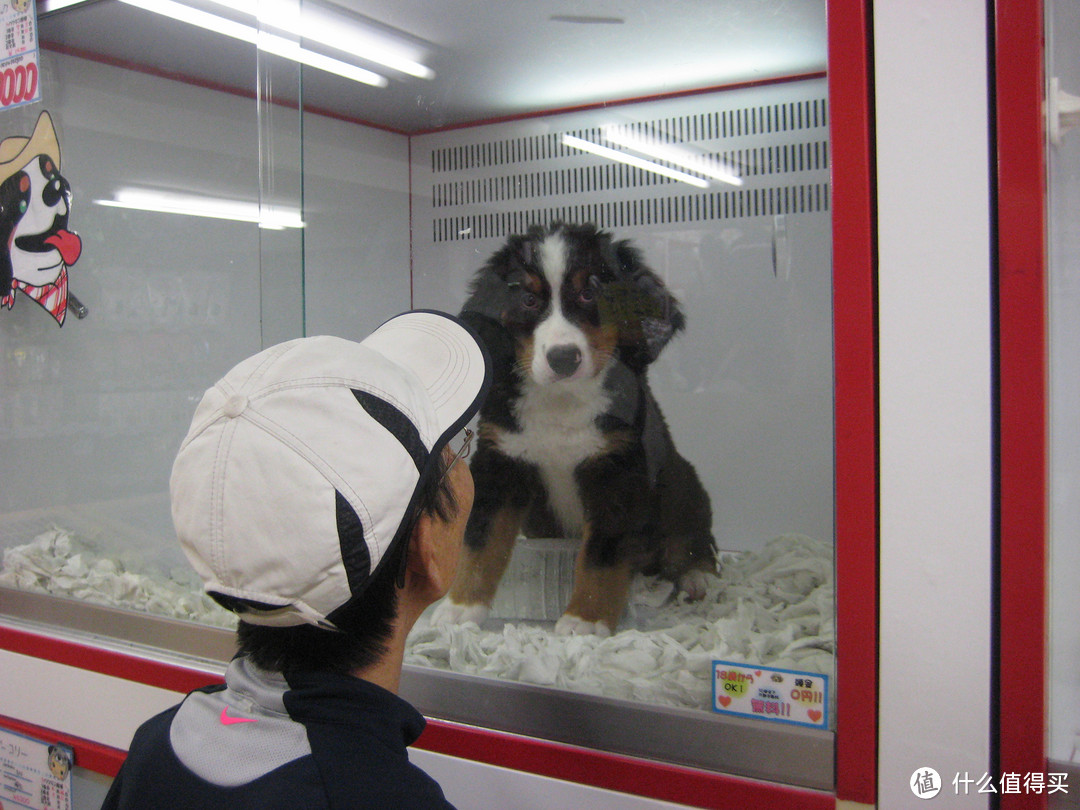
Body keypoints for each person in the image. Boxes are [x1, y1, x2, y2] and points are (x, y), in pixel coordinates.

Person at [101, 310, 491, 810]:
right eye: (457, 449)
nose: (465, 465)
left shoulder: (155, 749)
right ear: (426, 544)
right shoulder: (385, 798)